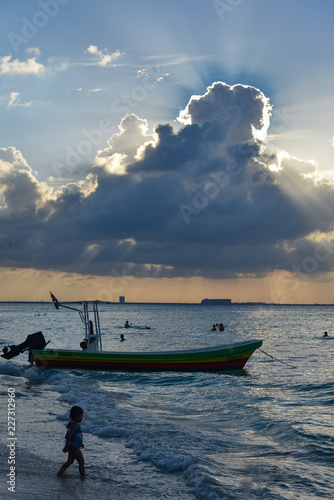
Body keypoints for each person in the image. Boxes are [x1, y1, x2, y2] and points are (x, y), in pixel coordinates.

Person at [57, 406, 85, 477]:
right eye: (81, 416)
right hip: (74, 447)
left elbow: (75, 437)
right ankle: (83, 475)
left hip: (72, 446)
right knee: (81, 462)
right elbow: (69, 436)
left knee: (70, 461)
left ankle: (60, 472)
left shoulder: (73, 424)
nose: (82, 417)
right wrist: (66, 446)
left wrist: (80, 443)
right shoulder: (74, 425)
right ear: (76, 416)